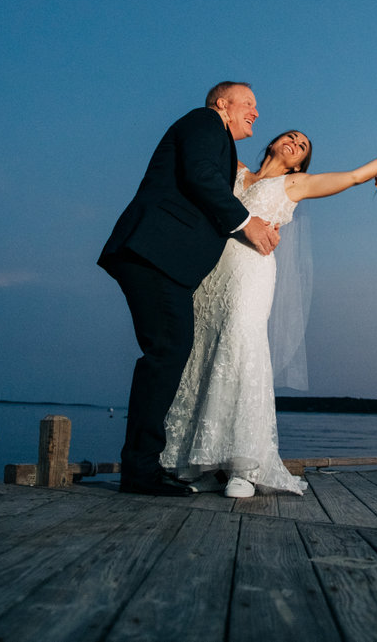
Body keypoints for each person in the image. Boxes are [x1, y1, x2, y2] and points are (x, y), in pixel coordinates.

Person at [161, 130, 377, 497]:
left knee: (241, 349)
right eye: (291, 137)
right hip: (212, 272)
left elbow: (353, 177)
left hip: (251, 271)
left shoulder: (295, 183)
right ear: (272, 143)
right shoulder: (234, 169)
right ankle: (196, 462)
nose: (295, 143)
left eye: (303, 147)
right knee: (201, 353)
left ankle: (243, 467)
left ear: (299, 163)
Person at [98, 82, 281, 496]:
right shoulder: (204, 122)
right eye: (248, 103)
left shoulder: (221, 140)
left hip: (164, 262)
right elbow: (199, 175)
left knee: (168, 353)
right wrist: (247, 223)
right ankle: (141, 470)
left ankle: (144, 465)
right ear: (223, 104)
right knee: (167, 353)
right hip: (153, 253)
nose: (256, 111)